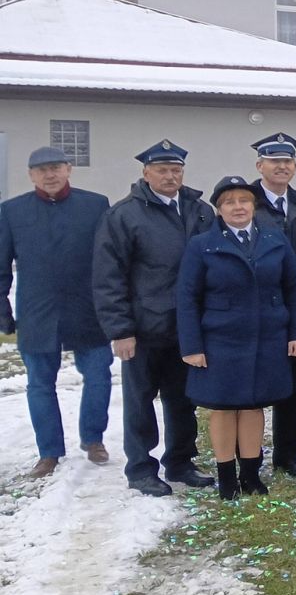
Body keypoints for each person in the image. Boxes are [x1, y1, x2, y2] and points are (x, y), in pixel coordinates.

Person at [93, 139, 217, 496]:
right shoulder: (123, 215)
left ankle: (180, 461)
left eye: (176, 170)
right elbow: (108, 277)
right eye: (162, 170)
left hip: (187, 327)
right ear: (146, 173)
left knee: (182, 400)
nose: (170, 176)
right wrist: (120, 330)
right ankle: (140, 468)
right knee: (140, 402)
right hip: (143, 328)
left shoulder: (200, 211)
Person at [177, 176, 296, 499]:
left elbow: (293, 288)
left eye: (244, 201)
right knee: (224, 408)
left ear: (254, 205)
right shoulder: (201, 245)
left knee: (253, 405)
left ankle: (250, 474)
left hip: (267, 338)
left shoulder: (275, 239)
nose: (238, 207)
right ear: (219, 210)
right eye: (229, 202)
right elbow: (187, 298)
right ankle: (226, 477)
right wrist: (192, 346)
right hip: (220, 340)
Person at [1, 147, 113, 479]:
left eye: (55, 167)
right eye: (41, 170)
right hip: (37, 312)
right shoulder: (11, 211)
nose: (49, 175)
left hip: (88, 309)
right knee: (39, 384)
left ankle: (93, 438)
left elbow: (110, 260)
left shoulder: (95, 205)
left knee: (99, 376)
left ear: (68, 169)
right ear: (31, 175)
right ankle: (48, 452)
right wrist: (3, 311)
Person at [248, 132, 296, 477]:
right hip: (254, 307)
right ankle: (249, 455)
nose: (281, 167)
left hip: (292, 308)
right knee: (252, 387)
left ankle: (287, 456)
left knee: (290, 388)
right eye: (274, 161)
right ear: (259, 165)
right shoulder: (245, 203)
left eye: (287, 161)